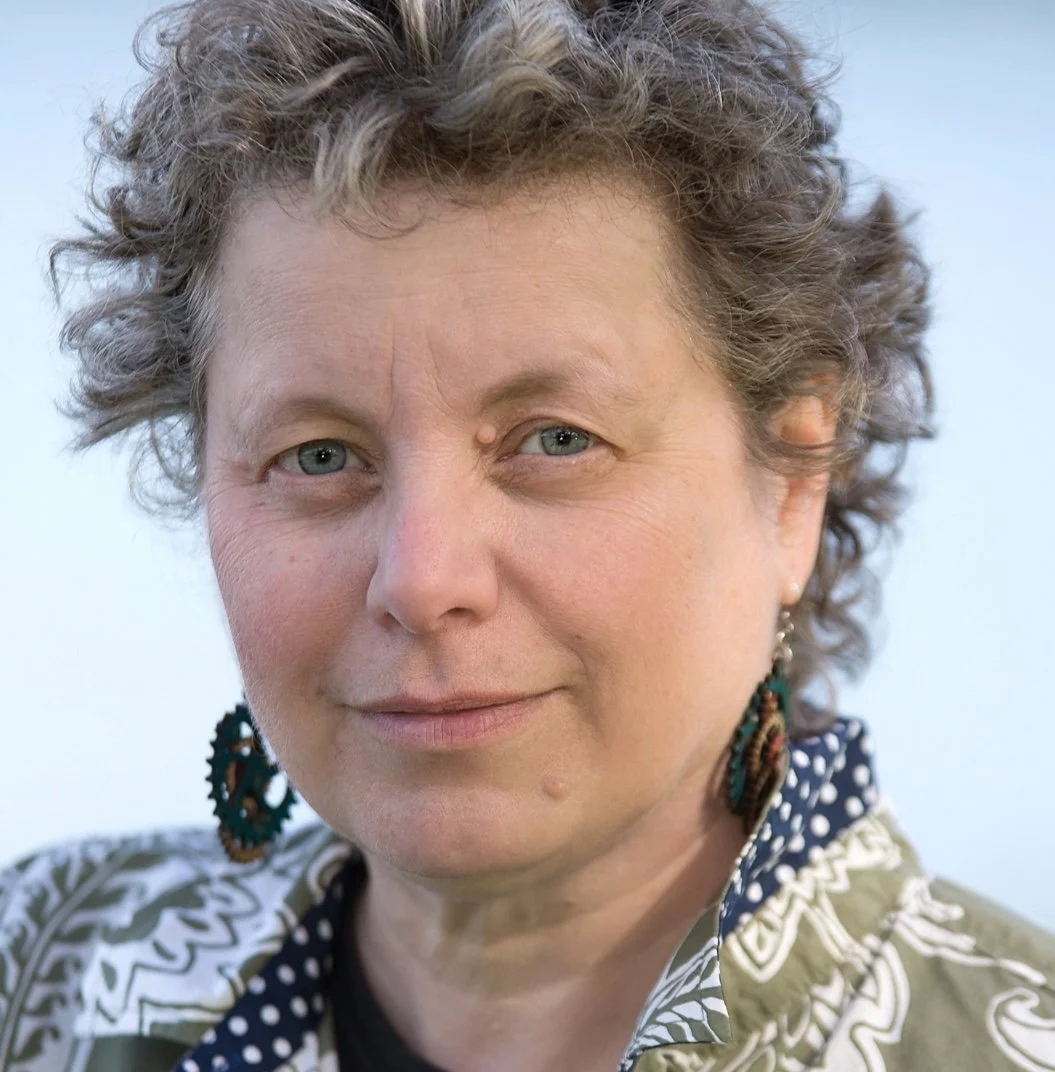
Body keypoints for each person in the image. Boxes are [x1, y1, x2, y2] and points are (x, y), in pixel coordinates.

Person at [2, 0, 1053, 1069]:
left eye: (555, 440)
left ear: (790, 482)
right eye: (318, 456)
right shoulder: (34, 976)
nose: (422, 578)